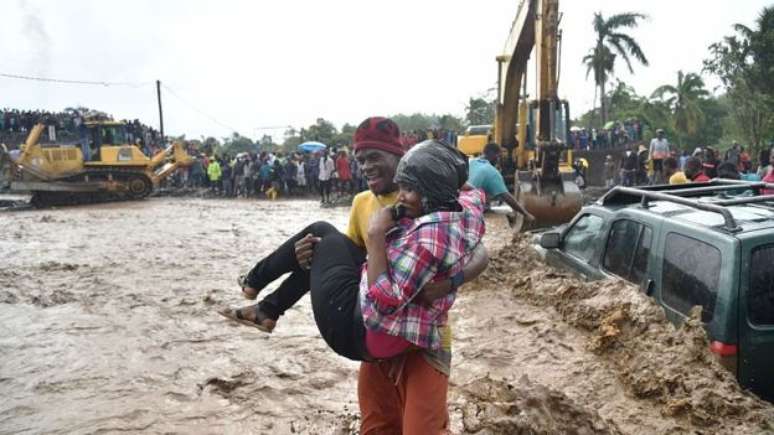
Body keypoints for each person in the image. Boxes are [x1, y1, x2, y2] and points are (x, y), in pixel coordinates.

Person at [221, 117, 488, 434]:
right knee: (377, 428)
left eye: (375, 157)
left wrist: (450, 283)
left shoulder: (431, 196)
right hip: (380, 332)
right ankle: (267, 307)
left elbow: (480, 250)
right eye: (361, 160)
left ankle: (262, 300)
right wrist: (306, 257)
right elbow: (351, 266)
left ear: (401, 156)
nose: (366, 167)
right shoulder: (363, 203)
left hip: (424, 341)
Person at [468, 143, 534, 222]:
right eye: (498, 156)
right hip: (470, 209)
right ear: (493, 155)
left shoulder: (470, 162)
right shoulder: (491, 171)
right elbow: (506, 197)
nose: (498, 160)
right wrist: (526, 214)